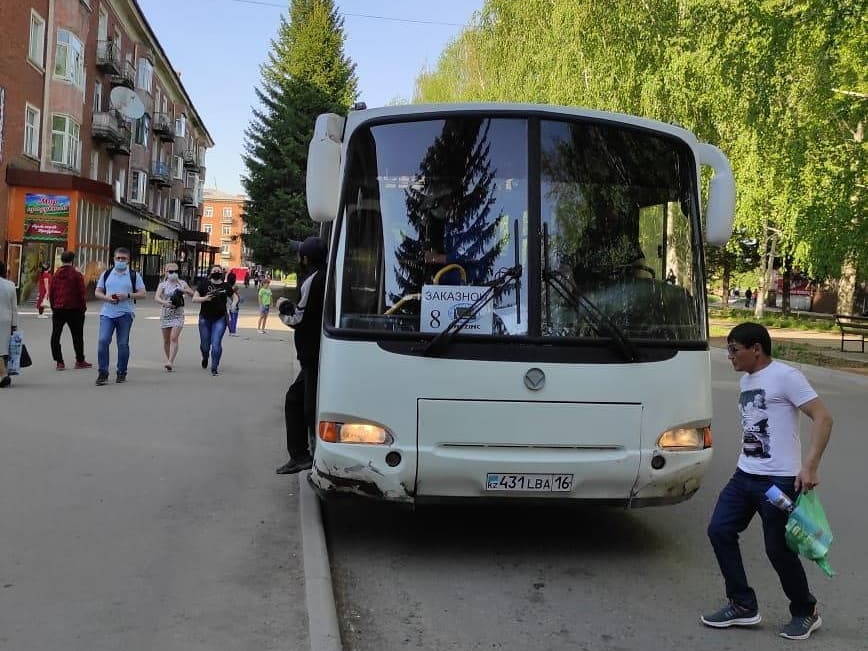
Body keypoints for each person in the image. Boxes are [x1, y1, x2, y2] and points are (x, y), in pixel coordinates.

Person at [702, 322, 833, 640]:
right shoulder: (747, 380)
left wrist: (810, 466)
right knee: (719, 530)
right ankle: (743, 604)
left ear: (755, 349)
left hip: (778, 481)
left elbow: (823, 417)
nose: (729, 355)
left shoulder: (786, 377)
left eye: (734, 349)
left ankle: (806, 611)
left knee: (778, 549)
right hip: (744, 475)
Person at [275, 237, 327, 474]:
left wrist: (283, 307)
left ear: (305, 257)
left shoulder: (312, 280)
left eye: (300, 253)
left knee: (302, 405)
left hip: (313, 353)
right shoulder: (328, 274)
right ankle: (303, 454)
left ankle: (303, 456)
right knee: (300, 401)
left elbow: (299, 319)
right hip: (319, 352)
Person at [94, 248, 147, 385]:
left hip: (125, 314)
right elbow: (97, 292)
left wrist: (127, 295)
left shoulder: (134, 275)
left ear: (128, 260)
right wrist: (106, 298)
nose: (120, 261)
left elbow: (143, 294)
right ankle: (103, 373)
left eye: (123, 259)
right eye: (118, 258)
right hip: (107, 313)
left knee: (122, 343)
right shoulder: (106, 274)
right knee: (103, 341)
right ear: (114, 258)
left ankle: (121, 372)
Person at [47, 251, 92, 370]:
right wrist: (83, 308)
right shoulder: (76, 275)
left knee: (55, 335)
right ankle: (80, 360)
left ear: (62, 260)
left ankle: (59, 362)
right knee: (77, 335)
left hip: (58, 309)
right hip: (75, 309)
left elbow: (51, 293)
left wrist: (53, 306)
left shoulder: (56, 274)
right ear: (72, 260)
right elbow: (82, 293)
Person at [154, 261, 194, 372]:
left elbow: (192, 294)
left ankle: (170, 361)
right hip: (166, 314)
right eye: (171, 271)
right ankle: (168, 359)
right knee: (166, 340)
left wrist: (184, 290)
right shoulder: (162, 284)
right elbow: (156, 297)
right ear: (166, 272)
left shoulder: (182, 283)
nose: (174, 273)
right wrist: (164, 302)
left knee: (174, 338)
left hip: (178, 314)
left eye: (176, 271)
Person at [193, 265, 232, 376]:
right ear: (210, 272)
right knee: (205, 345)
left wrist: (233, 304)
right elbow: (194, 298)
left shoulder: (225, 286)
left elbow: (234, 296)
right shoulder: (204, 284)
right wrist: (205, 298)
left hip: (220, 318)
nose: (216, 272)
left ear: (221, 273)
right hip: (204, 318)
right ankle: (205, 356)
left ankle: (214, 366)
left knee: (216, 343)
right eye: (214, 271)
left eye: (218, 271)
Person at [0, 260, 20, 388]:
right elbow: (14, 308)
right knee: (3, 348)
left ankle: (3, 375)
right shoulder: (10, 285)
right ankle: (3, 373)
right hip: (6, 320)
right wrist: (14, 325)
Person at [226, 272, 241, 336]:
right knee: (234, 318)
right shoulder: (235, 287)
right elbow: (237, 296)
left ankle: (230, 331)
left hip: (227, 304)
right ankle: (233, 331)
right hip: (234, 304)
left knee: (229, 318)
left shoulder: (226, 286)